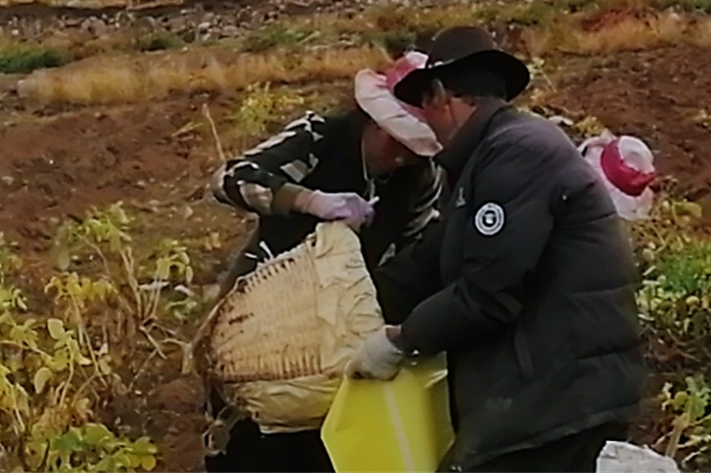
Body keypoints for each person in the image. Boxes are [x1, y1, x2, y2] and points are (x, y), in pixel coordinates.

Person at [353, 27, 644, 473]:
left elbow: (489, 292)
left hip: (557, 397)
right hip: (545, 392)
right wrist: (355, 301)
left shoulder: (517, 155)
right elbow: (432, 260)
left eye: (425, 106)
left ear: (440, 95)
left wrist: (402, 340)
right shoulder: (487, 161)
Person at [204, 53, 445, 471]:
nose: (401, 158)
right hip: (265, 309)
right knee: (248, 423)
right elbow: (231, 179)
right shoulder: (321, 138)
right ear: (372, 121)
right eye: (395, 143)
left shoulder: (421, 178)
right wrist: (308, 200)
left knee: (316, 438)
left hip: (343, 322)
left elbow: (415, 250)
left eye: (413, 151)